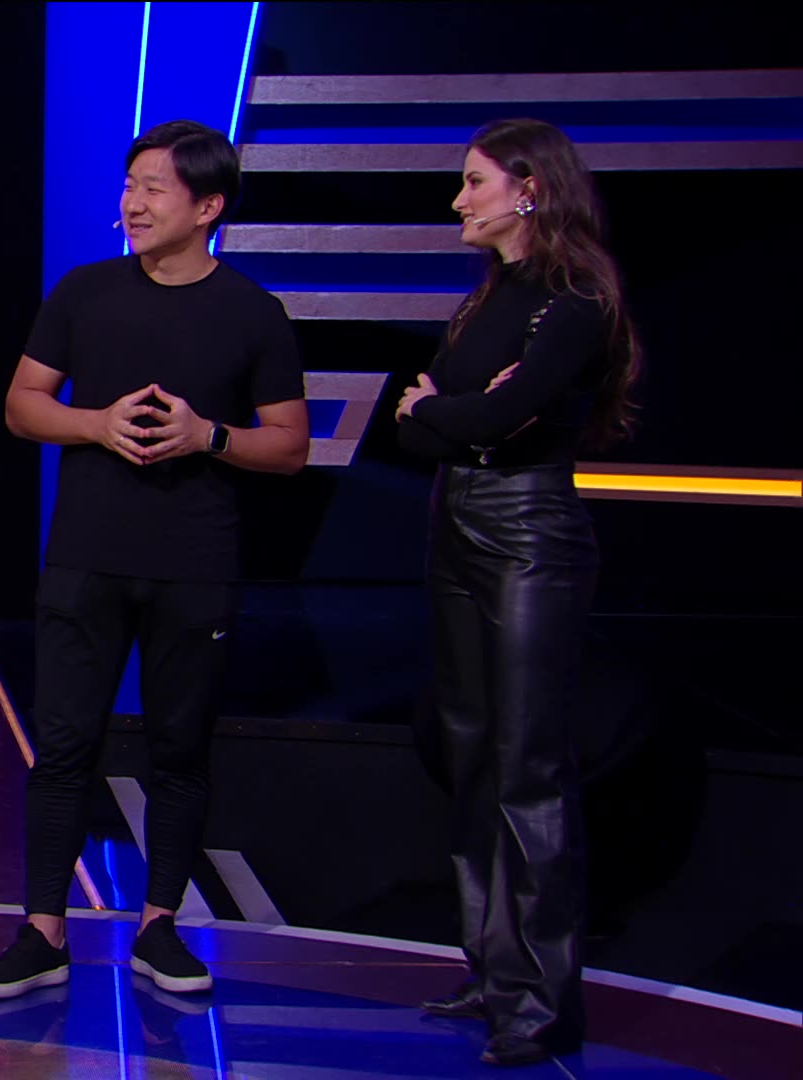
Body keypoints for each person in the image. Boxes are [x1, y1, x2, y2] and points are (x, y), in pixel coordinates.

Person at [0, 121, 308, 1001]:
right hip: (86, 556)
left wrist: (207, 435)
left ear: (209, 206)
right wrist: (95, 423)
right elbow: (21, 405)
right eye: (130, 184)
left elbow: (289, 445)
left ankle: (161, 926)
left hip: (196, 562)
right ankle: (42, 931)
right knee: (64, 745)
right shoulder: (84, 291)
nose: (134, 202)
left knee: (179, 748)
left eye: (155, 187)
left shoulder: (253, 312)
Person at [395, 118, 640, 1068]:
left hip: (530, 530)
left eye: (473, 182)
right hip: (454, 518)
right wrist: (452, 414)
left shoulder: (573, 301)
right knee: (469, 751)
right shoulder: (486, 299)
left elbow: (497, 414)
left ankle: (541, 1001)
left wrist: (450, 412)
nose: (458, 200)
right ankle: (491, 969)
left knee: (528, 760)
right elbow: (414, 421)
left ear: (528, 188)